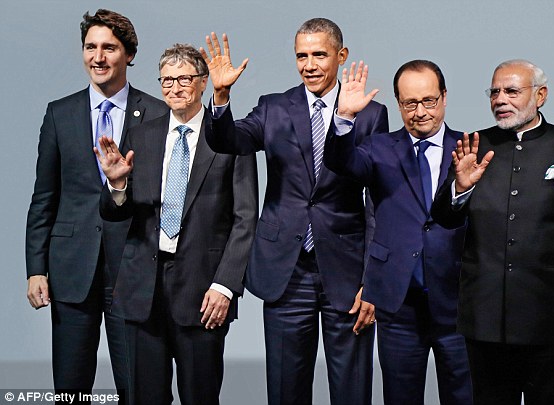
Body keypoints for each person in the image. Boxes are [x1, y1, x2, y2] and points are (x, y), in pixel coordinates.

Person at [200, 18, 388, 405]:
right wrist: (220, 97)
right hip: (286, 271)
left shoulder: (370, 114)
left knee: (352, 390)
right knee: (286, 389)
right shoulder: (274, 107)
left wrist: (374, 277)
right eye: (302, 56)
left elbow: (378, 202)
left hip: (347, 271)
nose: (310, 64)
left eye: (320, 54)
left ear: (342, 55)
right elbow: (227, 140)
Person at [431, 59, 554, 405]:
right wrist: (461, 188)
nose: (500, 99)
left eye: (512, 91)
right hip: (485, 317)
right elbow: (443, 217)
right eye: (495, 91)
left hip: (550, 316)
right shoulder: (474, 145)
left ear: (540, 95)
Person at [95, 43, 257, 405]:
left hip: (204, 291)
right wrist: (117, 185)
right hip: (142, 291)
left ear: (202, 83)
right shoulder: (143, 134)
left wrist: (226, 286)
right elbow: (116, 212)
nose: (175, 88)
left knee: (200, 396)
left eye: (184, 78)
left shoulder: (232, 137)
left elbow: (246, 219)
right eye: (167, 80)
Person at [25, 9, 167, 398]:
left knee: (141, 390)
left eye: (109, 47)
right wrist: (36, 269)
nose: (98, 57)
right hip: (71, 270)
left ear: (129, 54)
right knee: (70, 390)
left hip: (134, 270)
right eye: (90, 47)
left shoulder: (158, 113)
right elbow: (44, 197)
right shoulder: (60, 113)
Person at [325, 60, 473, 404]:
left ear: (444, 98)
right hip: (397, 301)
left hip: (457, 301)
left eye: (429, 101)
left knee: (465, 396)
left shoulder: (466, 149)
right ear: (398, 103)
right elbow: (342, 163)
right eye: (410, 103)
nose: (420, 112)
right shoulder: (378, 148)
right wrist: (344, 118)